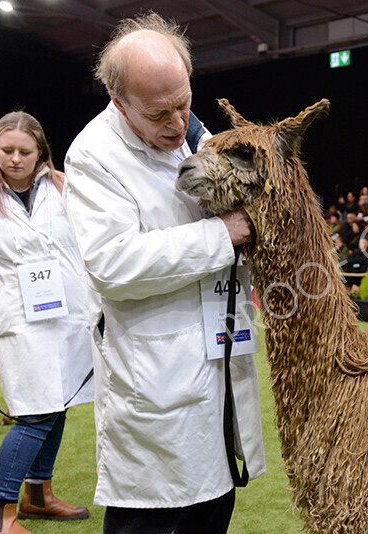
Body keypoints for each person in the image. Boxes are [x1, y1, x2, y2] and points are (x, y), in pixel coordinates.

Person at [63, 14, 264, 533]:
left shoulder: (201, 139)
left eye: (184, 103)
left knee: (214, 504)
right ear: (117, 98)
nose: (177, 123)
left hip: (219, 353)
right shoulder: (92, 157)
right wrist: (225, 234)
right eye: (159, 112)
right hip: (154, 374)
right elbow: (114, 264)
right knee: (148, 514)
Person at [0, 111, 94, 532]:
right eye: (6, 150)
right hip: (21, 327)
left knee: (58, 406)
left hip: (69, 319)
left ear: (41, 152)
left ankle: (38, 496)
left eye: (24, 151)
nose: (14, 158)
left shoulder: (68, 191)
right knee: (35, 415)